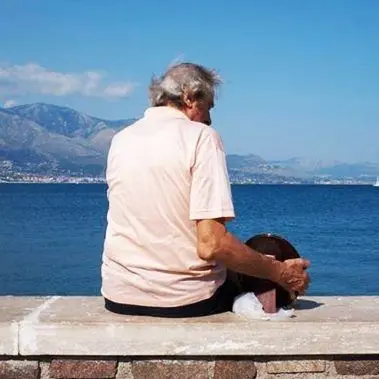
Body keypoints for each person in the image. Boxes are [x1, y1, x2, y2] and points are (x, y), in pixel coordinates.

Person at [101, 62, 310, 318]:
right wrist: (279, 272)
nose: (209, 119)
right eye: (208, 107)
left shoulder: (121, 140)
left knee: (247, 260)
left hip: (118, 297)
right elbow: (211, 245)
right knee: (267, 256)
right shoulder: (201, 137)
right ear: (189, 97)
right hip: (185, 300)